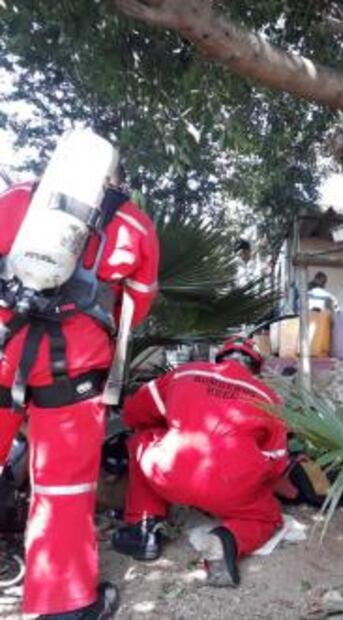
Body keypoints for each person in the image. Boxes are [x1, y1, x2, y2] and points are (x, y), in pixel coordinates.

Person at [0, 133, 159, 618]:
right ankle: (63, 605)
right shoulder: (133, 226)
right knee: (61, 490)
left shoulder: (17, 198)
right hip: (71, 376)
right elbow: (137, 304)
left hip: (1, 352)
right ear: (115, 179)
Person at [111, 338, 288, 587]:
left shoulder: (186, 373)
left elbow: (135, 413)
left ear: (219, 357)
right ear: (256, 367)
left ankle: (143, 528)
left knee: (140, 438)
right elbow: (275, 461)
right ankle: (227, 540)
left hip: (168, 471)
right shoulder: (269, 399)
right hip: (231, 489)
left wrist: (168, 424)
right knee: (266, 518)